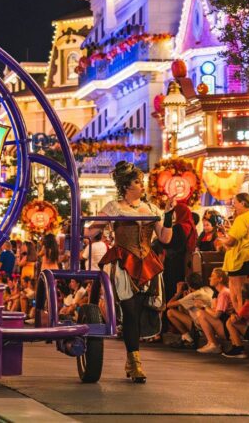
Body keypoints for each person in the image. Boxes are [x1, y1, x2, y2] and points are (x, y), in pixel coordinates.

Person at [93, 161, 175, 383]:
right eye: (138, 181)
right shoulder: (113, 207)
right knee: (129, 311)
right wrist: (92, 227)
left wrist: (167, 215)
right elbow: (91, 231)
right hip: (123, 263)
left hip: (146, 262)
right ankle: (135, 362)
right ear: (127, 186)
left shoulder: (151, 209)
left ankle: (132, 359)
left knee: (137, 312)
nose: (142, 185)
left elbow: (166, 238)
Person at [216, 193, 249, 313]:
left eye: (235, 203)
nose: (234, 206)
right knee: (245, 292)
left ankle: (241, 318)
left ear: (243, 203)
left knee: (238, 293)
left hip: (239, 259)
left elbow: (230, 242)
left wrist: (221, 239)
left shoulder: (242, 218)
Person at [165, 272, 212, 348]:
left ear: (189, 285)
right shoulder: (207, 289)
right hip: (208, 321)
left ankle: (188, 339)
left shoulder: (193, 295)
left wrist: (178, 293)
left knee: (170, 312)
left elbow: (169, 305)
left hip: (199, 325)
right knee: (181, 308)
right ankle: (187, 337)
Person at [162, 204, 197, 305]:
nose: (173, 215)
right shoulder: (190, 226)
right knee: (180, 285)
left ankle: (170, 311)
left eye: (174, 213)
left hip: (173, 262)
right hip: (184, 261)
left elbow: (169, 244)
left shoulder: (179, 227)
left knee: (172, 287)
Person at [195, 268, 233, 354]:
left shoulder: (224, 293)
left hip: (227, 328)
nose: (209, 278)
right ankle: (210, 342)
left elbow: (216, 315)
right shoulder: (220, 293)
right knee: (201, 313)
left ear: (220, 279)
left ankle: (213, 344)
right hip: (224, 325)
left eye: (212, 276)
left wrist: (203, 306)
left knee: (201, 313)